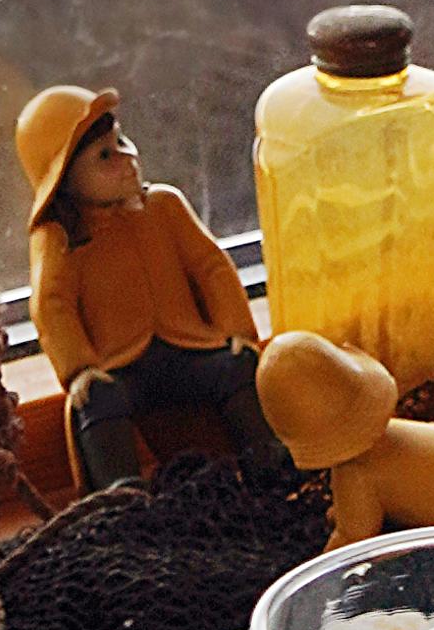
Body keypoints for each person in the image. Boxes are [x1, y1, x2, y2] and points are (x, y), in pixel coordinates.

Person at [15, 82, 262, 490]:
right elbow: (52, 304)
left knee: (237, 369)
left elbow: (211, 268)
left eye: (123, 142)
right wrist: (81, 368)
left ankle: (268, 463)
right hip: (120, 365)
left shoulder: (164, 206)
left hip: (189, 345)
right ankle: (121, 498)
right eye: (105, 156)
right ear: (64, 182)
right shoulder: (60, 239)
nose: (128, 159)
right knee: (98, 401)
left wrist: (237, 330)